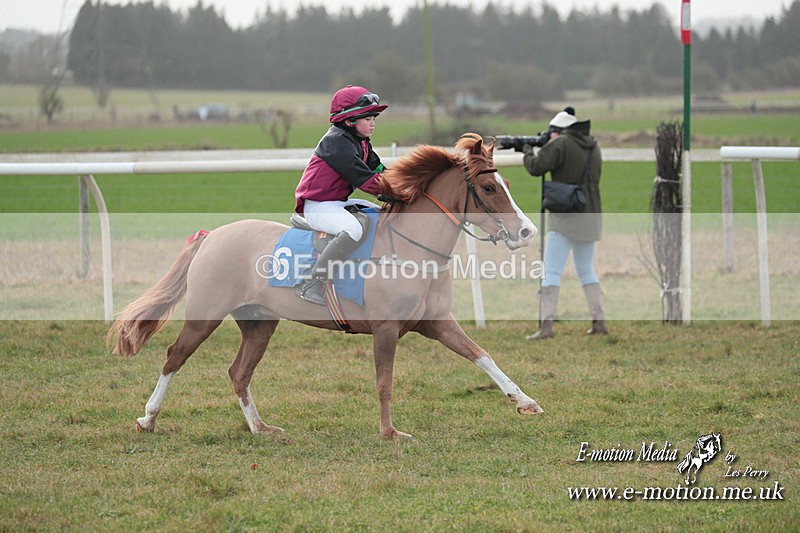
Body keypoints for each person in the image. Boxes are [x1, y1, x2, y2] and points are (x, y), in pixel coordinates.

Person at [294, 85, 388, 306]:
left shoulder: (361, 141)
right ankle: (313, 282)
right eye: (368, 118)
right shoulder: (336, 142)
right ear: (349, 121)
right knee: (353, 228)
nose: (373, 122)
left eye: (374, 116)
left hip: (337, 203)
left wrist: (404, 185)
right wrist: (394, 192)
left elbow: (378, 169)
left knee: (377, 213)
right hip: (318, 205)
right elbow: (364, 179)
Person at [522, 107, 608, 339]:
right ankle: (599, 321)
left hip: (564, 218)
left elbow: (535, 167)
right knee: (586, 270)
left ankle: (546, 326)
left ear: (558, 131)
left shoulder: (561, 144)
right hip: (590, 216)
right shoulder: (593, 145)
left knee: (551, 272)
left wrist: (528, 150)